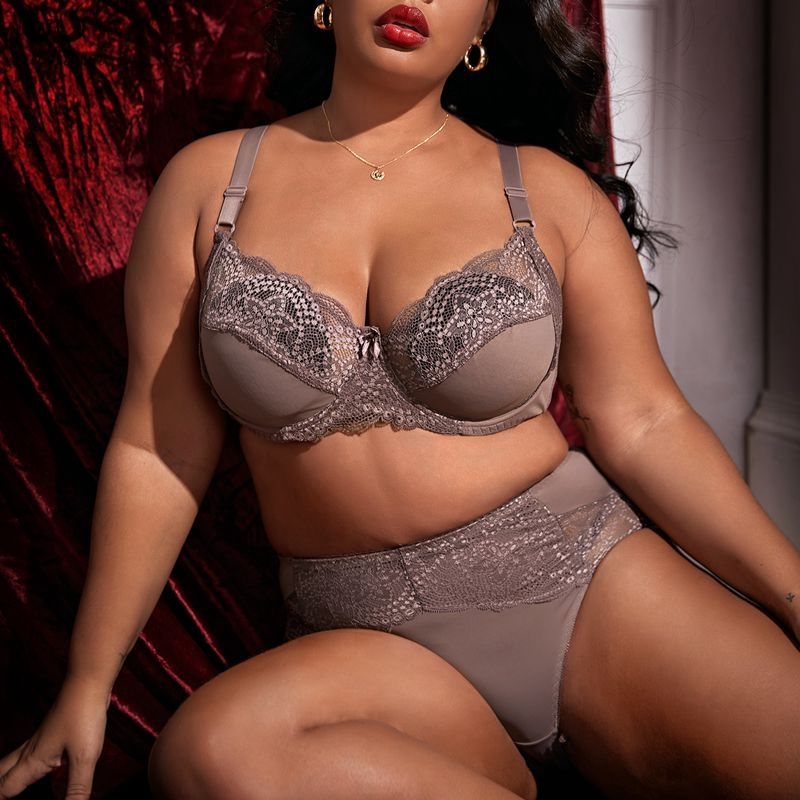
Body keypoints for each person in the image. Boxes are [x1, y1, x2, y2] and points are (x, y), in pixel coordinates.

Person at [2, 1, 799, 798]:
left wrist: (795, 594)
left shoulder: (547, 194)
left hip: (583, 587)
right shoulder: (209, 186)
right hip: (369, 644)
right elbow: (159, 447)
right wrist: (89, 678)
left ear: (484, 25)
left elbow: (647, 421)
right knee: (211, 755)